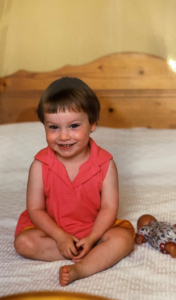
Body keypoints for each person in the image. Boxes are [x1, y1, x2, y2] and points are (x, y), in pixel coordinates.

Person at [14, 77, 135, 286]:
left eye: (74, 126)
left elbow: (108, 208)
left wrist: (93, 237)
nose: (63, 136)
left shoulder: (105, 164)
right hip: (52, 231)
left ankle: (82, 267)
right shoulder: (40, 165)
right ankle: (89, 253)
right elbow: (35, 210)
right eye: (53, 127)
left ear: (93, 124)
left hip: (94, 228)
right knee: (24, 243)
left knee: (124, 239)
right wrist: (61, 237)